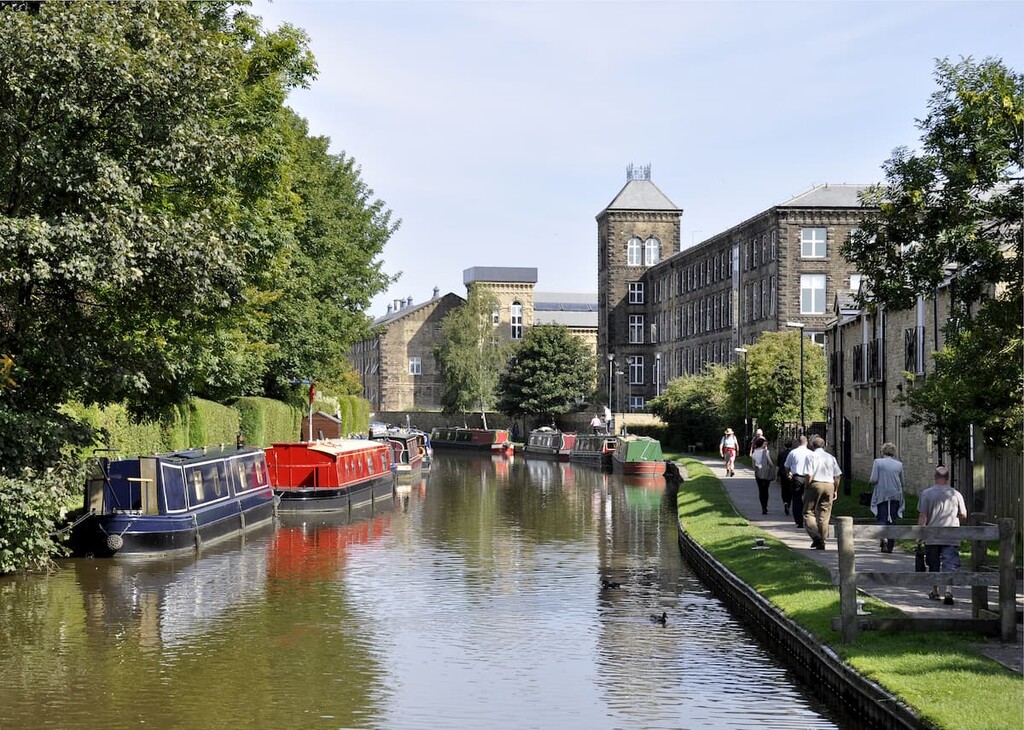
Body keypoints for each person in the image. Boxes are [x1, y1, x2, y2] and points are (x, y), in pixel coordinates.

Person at [917, 465, 967, 605]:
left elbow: (923, 516)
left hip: (932, 536)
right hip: (951, 535)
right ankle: (948, 591)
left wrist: (919, 535)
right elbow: (964, 514)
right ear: (948, 478)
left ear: (935, 477)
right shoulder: (956, 494)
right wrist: (958, 520)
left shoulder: (926, 494)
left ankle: (935, 590)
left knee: (933, 563)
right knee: (950, 563)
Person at [802, 435, 842, 549]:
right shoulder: (831, 457)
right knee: (824, 514)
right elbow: (837, 476)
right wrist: (835, 490)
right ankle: (823, 540)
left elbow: (809, 475)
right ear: (824, 446)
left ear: (812, 445)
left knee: (808, 512)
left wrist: (806, 487)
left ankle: (816, 537)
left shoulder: (811, 456)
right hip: (829, 485)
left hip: (815, 483)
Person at [869, 442, 906, 553]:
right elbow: (902, 481)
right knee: (892, 519)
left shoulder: (878, 462)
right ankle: (890, 546)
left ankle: (883, 537)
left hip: (882, 494)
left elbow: (873, 479)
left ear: (883, 451)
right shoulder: (899, 465)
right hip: (895, 494)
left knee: (882, 517)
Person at [784, 435, 811, 527]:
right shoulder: (810, 453)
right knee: (808, 499)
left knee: (796, 499)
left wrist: (788, 473)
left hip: (797, 477)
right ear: (807, 442)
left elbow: (786, 465)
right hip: (809, 477)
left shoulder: (793, 452)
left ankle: (799, 521)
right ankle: (808, 519)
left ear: (798, 442)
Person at [751, 435, 774, 515]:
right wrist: (771, 467)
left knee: (761, 490)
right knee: (766, 490)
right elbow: (770, 462)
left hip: (758, 473)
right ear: (761, 444)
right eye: (764, 443)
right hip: (766, 473)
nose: (765, 444)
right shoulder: (766, 452)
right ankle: (765, 506)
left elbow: (753, 465)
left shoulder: (754, 453)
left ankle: (763, 507)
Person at [776, 438, 794, 516]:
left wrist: (776, 475)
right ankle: (788, 503)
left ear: (784, 446)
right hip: (790, 473)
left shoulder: (781, 453)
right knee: (790, 489)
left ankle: (785, 502)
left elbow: (778, 464)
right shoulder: (792, 454)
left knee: (783, 489)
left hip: (782, 473)